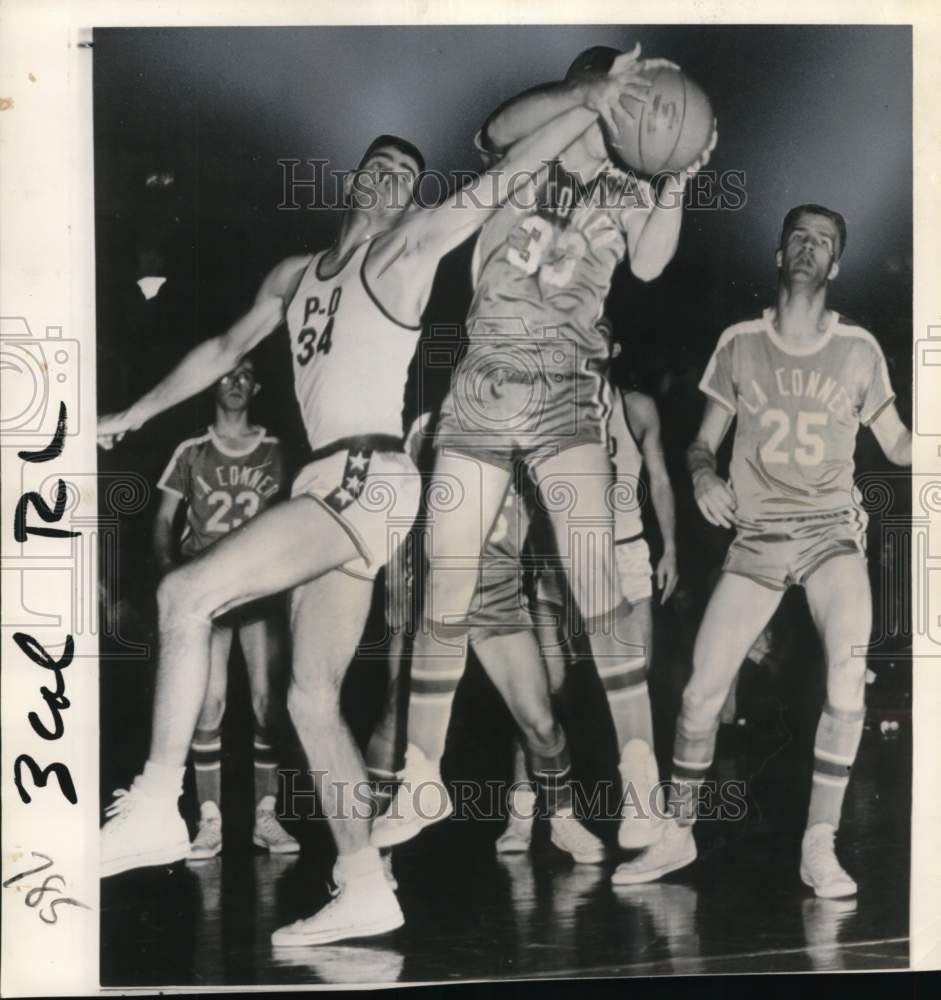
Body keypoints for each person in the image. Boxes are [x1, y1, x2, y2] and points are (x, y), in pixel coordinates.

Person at [98, 69, 649, 947]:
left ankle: (161, 799)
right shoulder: (294, 273)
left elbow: (495, 186)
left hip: (372, 475)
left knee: (183, 596)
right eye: (381, 167)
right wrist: (130, 415)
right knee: (309, 699)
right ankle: (363, 886)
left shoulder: (404, 253)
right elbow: (221, 347)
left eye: (407, 175)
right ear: (356, 180)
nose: (394, 180)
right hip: (327, 483)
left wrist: (587, 107)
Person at [373, 47, 714, 850]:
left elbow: (654, 261)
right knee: (445, 587)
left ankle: (639, 792)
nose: (637, 107)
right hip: (487, 374)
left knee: (597, 592)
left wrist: (677, 180)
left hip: (565, 384)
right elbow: (497, 123)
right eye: (623, 90)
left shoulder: (631, 184)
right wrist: (586, 93)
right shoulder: (536, 144)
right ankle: (422, 778)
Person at [612, 204, 912, 896]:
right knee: (698, 695)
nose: (809, 249)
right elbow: (697, 443)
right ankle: (676, 833)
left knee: (846, 665)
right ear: (779, 255)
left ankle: (819, 843)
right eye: (798, 238)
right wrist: (701, 474)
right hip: (755, 537)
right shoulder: (739, 341)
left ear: (835, 265)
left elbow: (896, 443)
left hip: (829, 534)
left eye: (824, 242)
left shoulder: (859, 348)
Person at [379, 416, 606, 863]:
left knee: (541, 721)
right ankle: (373, 852)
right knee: (395, 715)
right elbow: (398, 505)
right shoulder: (431, 424)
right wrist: (398, 586)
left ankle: (561, 819)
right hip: (434, 592)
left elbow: (563, 509)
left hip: (498, 595)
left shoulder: (539, 426)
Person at [507, 331, 678, 852]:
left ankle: (643, 807)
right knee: (544, 688)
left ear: (615, 348)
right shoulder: (546, 404)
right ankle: (523, 809)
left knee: (634, 676)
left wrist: (669, 546)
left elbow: (662, 481)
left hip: (624, 550)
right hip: (559, 559)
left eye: (603, 334)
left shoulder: (636, 407)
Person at [152, 356, 298, 860]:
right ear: (212, 383)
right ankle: (208, 820)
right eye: (227, 375)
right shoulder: (191, 451)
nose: (234, 383)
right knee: (208, 706)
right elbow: (162, 520)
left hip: (260, 588)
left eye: (244, 376)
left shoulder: (278, 449)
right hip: (208, 588)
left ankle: (266, 815)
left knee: (267, 704)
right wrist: (171, 569)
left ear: (254, 386)